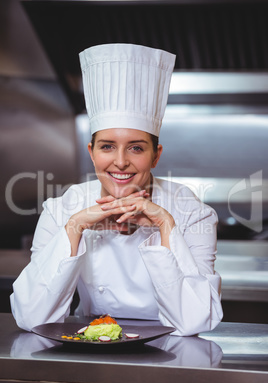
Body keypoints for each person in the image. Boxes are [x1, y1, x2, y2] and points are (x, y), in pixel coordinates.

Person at [10, 43, 223, 335]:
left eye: (136, 148)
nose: (120, 162)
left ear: (156, 155)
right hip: (91, 345)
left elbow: (197, 320)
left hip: (173, 349)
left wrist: (165, 225)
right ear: (92, 152)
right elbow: (30, 317)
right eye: (107, 146)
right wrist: (74, 228)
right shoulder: (64, 208)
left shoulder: (191, 211)